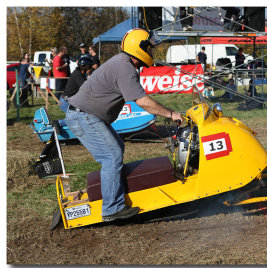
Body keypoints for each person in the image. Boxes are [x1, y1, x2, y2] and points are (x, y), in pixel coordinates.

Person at [65, 29, 183, 222]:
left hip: (86, 115)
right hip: (84, 116)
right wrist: (171, 114)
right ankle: (112, 208)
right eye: (150, 49)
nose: (152, 54)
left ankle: (117, 195)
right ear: (139, 49)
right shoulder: (125, 67)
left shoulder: (123, 63)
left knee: (116, 149)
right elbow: (142, 101)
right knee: (111, 155)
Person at [54, 56, 95, 130]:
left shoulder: (79, 74)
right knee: (78, 118)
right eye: (90, 67)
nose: (92, 69)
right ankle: (58, 122)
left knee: (83, 116)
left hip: (69, 101)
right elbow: (87, 89)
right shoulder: (78, 75)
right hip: (66, 102)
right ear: (85, 67)